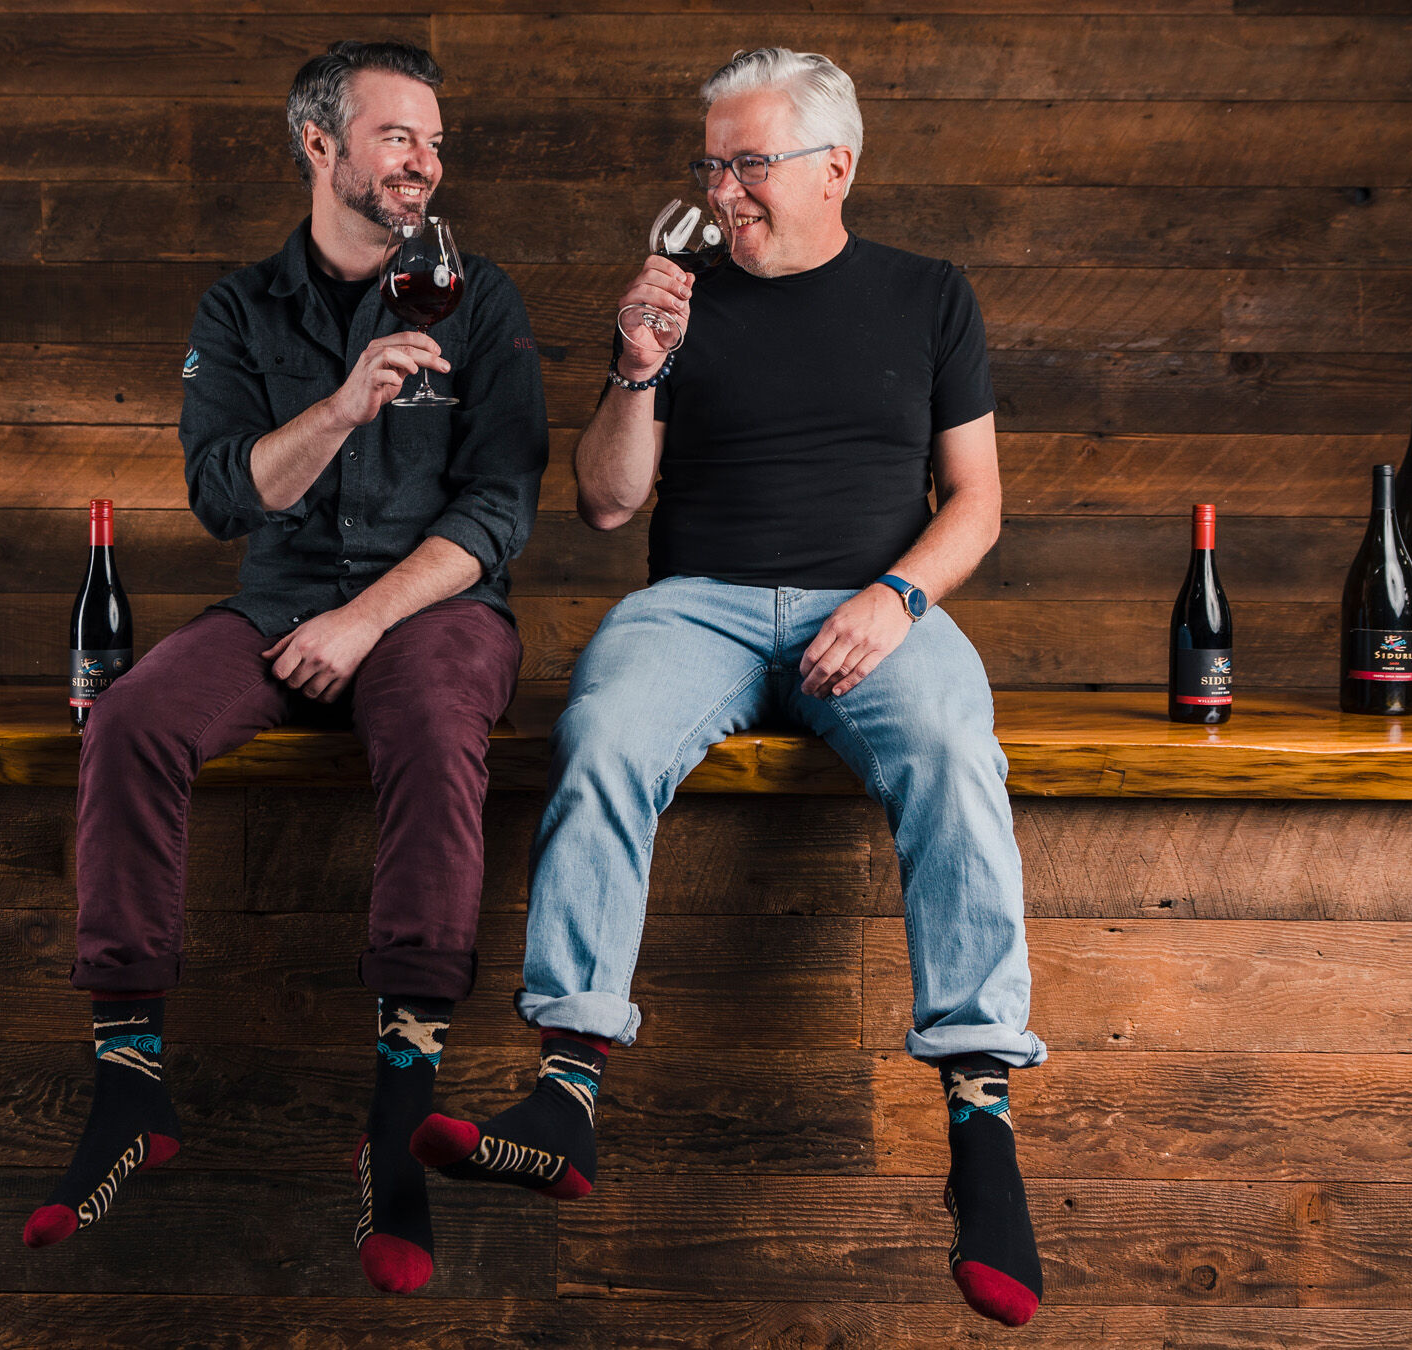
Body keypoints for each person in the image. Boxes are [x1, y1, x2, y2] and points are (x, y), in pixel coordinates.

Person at [409, 48, 1046, 1327]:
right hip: (693, 603)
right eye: (710, 164)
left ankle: (981, 1132)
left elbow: (974, 505)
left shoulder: (928, 296)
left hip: (874, 600)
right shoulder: (679, 295)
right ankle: (566, 1092)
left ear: (833, 168)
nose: (723, 189)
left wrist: (893, 600)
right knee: (600, 733)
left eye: (748, 163)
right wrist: (637, 364)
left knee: (953, 756)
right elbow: (602, 502)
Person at [22, 39, 549, 1299]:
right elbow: (219, 496)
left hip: (429, 609)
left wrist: (366, 621)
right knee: (134, 719)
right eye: (395, 137)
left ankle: (397, 1120)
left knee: (431, 728)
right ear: (319, 148)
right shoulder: (240, 306)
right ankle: (128, 1085)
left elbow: (497, 513)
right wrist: (340, 407)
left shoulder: (478, 298)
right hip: (270, 607)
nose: (424, 161)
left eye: (433, 139)